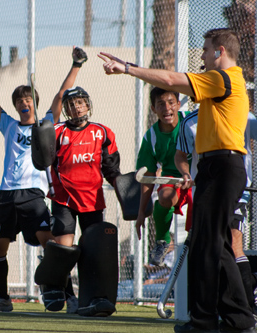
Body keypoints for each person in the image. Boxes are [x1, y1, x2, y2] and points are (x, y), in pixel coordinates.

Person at [99, 28, 255, 332]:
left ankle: (205, 322)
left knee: (205, 245)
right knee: (218, 245)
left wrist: (127, 68)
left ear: (221, 51)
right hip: (215, 168)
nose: (204, 56)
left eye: (207, 50)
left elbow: (170, 81)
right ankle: (239, 321)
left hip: (224, 166)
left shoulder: (224, 78)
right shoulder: (220, 84)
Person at [0, 47, 88, 313]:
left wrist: (76, 64)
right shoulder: (7, 124)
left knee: (52, 246)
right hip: (7, 195)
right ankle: (3, 298)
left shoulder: (46, 124)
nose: (23, 103)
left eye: (27, 99)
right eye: (19, 100)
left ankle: (69, 296)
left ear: (34, 103)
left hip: (33, 195)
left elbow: (60, 95)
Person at [44, 71, 121, 316]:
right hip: (63, 198)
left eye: (80, 102)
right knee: (64, 250)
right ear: (65, 109)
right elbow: (41, 159)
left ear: (87, 104)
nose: (76, 108)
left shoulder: (103, 133)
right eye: (71, 104)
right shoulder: (56, 132)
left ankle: (92, 298)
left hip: (93, 199)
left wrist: (123, 188)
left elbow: (111, 168)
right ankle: (65, 294)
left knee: (92, 253)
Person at [175, 109, 257, 317]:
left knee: (233, 242)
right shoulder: (189, 123)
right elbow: (180, 156)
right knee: (215, 248)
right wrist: (186, 173)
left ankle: (247, 307)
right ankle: (218, 311)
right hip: (205, 193)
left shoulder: (243, 115)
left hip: (238, 189)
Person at [135, 87, 191, 266]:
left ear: (178, 104)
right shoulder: (151, 137)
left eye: (171, 103)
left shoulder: (192, 122)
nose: (167, 108)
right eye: (160, 104)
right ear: (153, 109)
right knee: (164, 196)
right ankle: (162, 241)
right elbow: (148, 177)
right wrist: (141, 212)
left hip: (200, 177)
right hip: (173, 181)